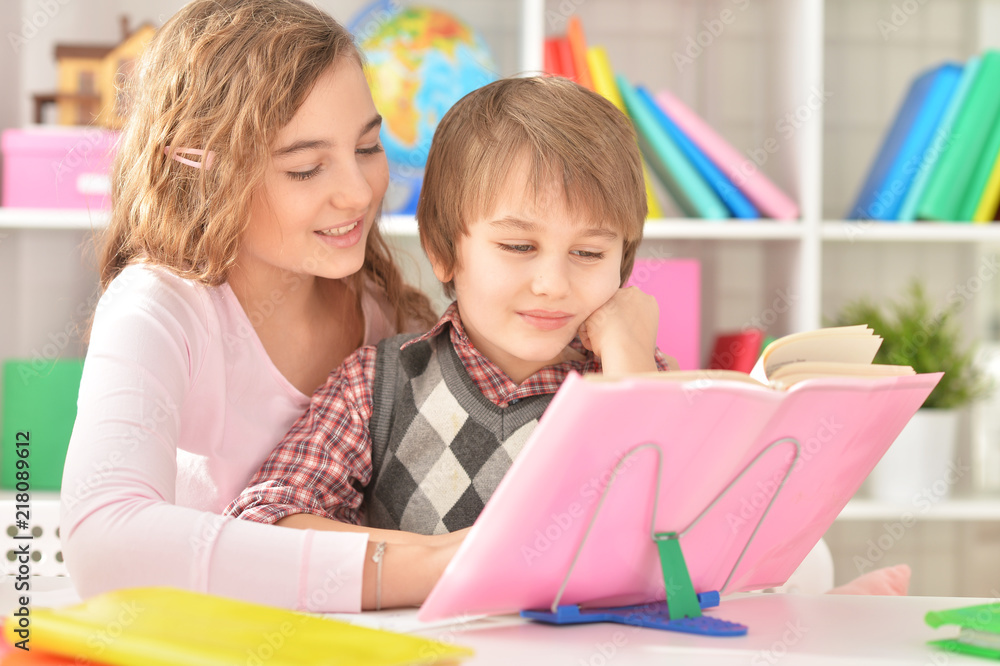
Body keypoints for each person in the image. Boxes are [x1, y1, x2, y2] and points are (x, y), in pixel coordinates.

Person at [59, 0, 461, 614]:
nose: (356, 192)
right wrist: (428, 566)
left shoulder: (383, 316)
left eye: (368, 146)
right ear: (201, 171)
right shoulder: (158, 309)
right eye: (305, 169)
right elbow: (102, 544)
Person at [226, 76, 674, 609]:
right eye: (518, 245)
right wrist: (448, 559)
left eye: (589, 254)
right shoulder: (375, 385)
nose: (553, 283)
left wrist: (627, 355)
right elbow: (262, 525)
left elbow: (676, 541)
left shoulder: (644, 382)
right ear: (443, 252)